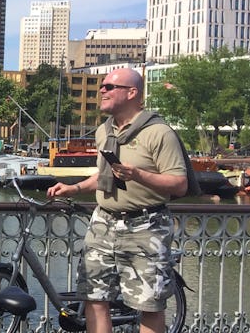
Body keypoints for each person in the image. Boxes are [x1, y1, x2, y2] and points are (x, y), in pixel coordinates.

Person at [46, 68, 196, 333]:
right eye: (102, 85)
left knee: (148, 305)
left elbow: (179, 185)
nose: (102, 90)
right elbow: (104, 175)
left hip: (145, 225)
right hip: (103, 223)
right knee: (94, 298)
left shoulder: (159, 133)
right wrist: (74, 188)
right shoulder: (105, 131)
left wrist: (138, 174)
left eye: (110, 86)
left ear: (132, 93)